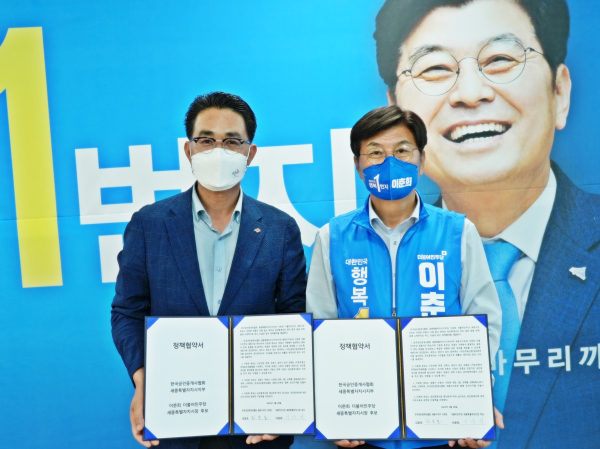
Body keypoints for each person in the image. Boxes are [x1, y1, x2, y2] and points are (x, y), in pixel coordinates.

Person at [373, 0, 600, 448]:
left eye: (499, 59)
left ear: (559, 92)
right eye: (435, 69)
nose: (470, 92)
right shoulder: (369, 264)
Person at [111, 92, 307, 449]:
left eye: (232, 141)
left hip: (257, 423)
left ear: (250, 153)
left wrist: (285, 399)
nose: (219, 151)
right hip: (176, 416)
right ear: (189, 150)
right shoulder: (150, 224)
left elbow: (293, 317)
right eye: (206, 140)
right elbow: (127, 311)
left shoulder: (280, 229)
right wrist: (143, 379)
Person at [307, 105, 503, 449]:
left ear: (421, 160)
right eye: (375, 153)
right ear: (357, 165)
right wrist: (333, 408)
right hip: (365, 427)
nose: (389, 162)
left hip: (443, 425)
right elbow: (320, 328)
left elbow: (484, 319)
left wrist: (475, 397)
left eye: (401, 151)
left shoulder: (458, 231)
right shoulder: (332, 237)